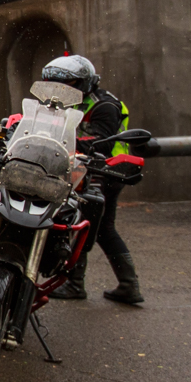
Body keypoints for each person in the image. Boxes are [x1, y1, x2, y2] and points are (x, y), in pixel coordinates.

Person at [43, 55, 144, 305]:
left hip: (107, 170)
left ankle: (75, 284)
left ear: (85, 83)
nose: (62, 91)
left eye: (69, 85)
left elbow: (101, 142)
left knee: (83, 224)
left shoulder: (103, 106)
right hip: (82, 169)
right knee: (103, 229)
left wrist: (62, 144)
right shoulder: (69, 102)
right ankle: (128, 286)